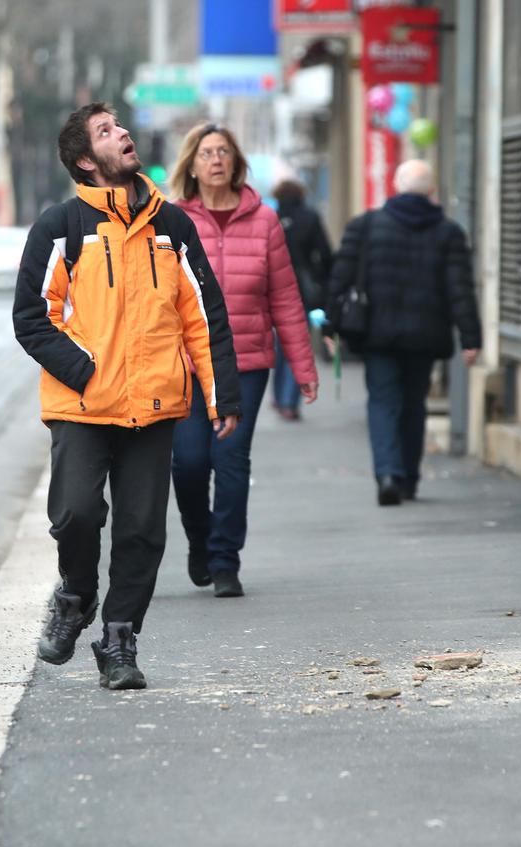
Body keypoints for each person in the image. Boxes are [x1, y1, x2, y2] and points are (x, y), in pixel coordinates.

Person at [12, 103, 241, 690]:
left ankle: (119, 639)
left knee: (142, 530)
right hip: (83, 404)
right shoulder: (61, 226)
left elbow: (203, 315)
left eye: (121, 126)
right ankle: (76, 595)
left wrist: (222, 396)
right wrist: (87, 372)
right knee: (76, 514)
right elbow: (33, 318)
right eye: (108, 132)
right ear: (88, 160)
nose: (125, 135)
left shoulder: (173, 226)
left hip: (155, 404)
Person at [168, 122, 318, 598]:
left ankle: (225, 559)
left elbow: (286, 299)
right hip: (189, 364)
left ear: (236, 163)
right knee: (189, 462)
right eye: (206, 152)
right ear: (191, 164)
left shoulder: (264, 221)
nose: (215, 160)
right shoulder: (172, 220)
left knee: (231, 459)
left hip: (247, 362)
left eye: (224, 152)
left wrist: (304, 367)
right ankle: (200, 540)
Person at [327, 159, 481, 507]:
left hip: (377, 334)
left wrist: (331, 326)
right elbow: (461, 290)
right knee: (414, 404)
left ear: (395, 186)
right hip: (425, 336)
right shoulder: (448, 232)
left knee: (382, 402)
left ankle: (387, 473)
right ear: (431, 191)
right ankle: (409, 478)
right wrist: (471, 338)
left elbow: (341, 278)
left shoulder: (366, 225)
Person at [271, 178, 333, 421]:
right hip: (301, 289)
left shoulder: (270, 217)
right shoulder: (310, 217)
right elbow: (325, 252)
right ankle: (289, 401)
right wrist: (321, 279)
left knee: (278, 346)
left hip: (272, 287)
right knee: (295, 343)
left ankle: (278, 397)